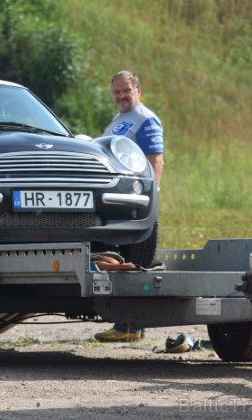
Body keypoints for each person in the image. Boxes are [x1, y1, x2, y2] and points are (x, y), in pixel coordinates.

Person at [94, 70, 165, 343]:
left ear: (139, 90)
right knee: (120, 262)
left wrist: (152, 198)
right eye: (117, 92)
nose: (122, 96)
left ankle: (132, 327)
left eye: (126, 91)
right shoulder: (119, 120)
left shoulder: (145, 120)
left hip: (138, 205)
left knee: (136, 263)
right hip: (120, 204)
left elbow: (155, 160)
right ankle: (124, 324)